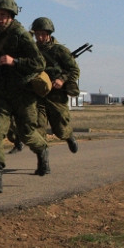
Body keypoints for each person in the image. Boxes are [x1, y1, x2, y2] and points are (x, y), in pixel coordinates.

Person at [0, 0, 49, 193]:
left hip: (22, 93)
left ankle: (42, 150)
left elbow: (39, 64)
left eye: (3, 15)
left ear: (11, 15)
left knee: (26, 133)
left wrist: (15, 62)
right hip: (1, 93)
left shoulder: (22, 35)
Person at [31, 17, 80, 163]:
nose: (39, 37)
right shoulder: (32, 50)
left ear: (49, 34)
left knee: (60, 130)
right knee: (38, 129)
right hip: (38, 95)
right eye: (37, 34)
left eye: (42, 34)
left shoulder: (60, 51)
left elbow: (74, 70)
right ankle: (43, 163)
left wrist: (62, 79)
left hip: (56, 96)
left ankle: (69, 136)